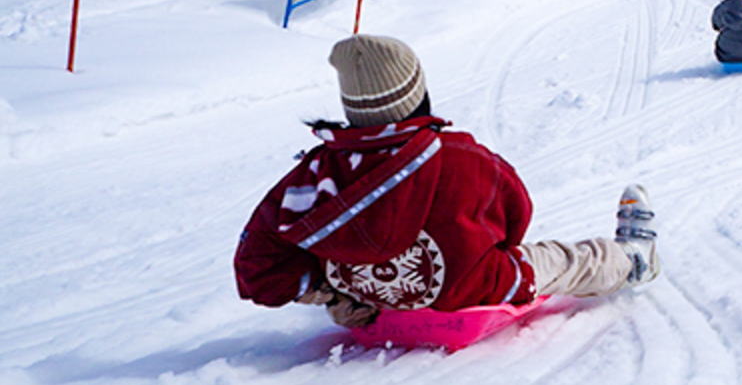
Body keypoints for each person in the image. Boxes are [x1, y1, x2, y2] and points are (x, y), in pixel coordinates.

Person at [234, 35, 657, 329]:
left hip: (368, 297)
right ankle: (633, 260)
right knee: (558, 260)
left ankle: (362, 297)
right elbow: (517, 216)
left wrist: (332, 292)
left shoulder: (315, 173)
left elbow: (258, 268)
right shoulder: (457, 157)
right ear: (416, 95)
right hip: (466, 289)